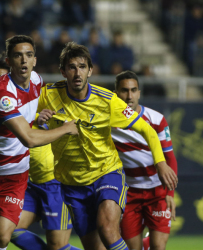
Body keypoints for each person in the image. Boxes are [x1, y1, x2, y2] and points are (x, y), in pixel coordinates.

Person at [36, 42, 178, 250]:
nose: (78, 73)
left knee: (107, 228)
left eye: (82, 67)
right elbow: (21, 117)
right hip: (72, 183)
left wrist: (160, 163)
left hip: (106, 173)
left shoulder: (108, 101)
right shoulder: (47, 95)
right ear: (63, 71)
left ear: (90, 70)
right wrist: (38, 117)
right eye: (72, 67)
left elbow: (147, 130)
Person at [0, 35, 78, 250]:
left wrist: (37, 118)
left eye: (28, 55)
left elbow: (25, 119)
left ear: (35, 60)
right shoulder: (2, 93)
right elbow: (28, 138)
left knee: (1, 237)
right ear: (9, 61)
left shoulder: (36, 81)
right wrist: (65, 129)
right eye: (18, 56)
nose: (23, 61)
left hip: (15, 173)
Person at [111, 71, 178, 250]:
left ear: (139, 93)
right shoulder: (109, 123)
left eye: (133, 90)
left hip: (157, 192)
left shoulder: (156, 120)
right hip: (129, 194)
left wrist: (170, 193)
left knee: (158, 246)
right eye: (124, 90)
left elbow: (169, 157)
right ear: (116, 93)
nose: (129, 96)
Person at [11, 125, 81, 250]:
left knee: (57, 246)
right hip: (31, 182)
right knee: (10, 229)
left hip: (56, 184)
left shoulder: (46, 109)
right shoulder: (16, 113)